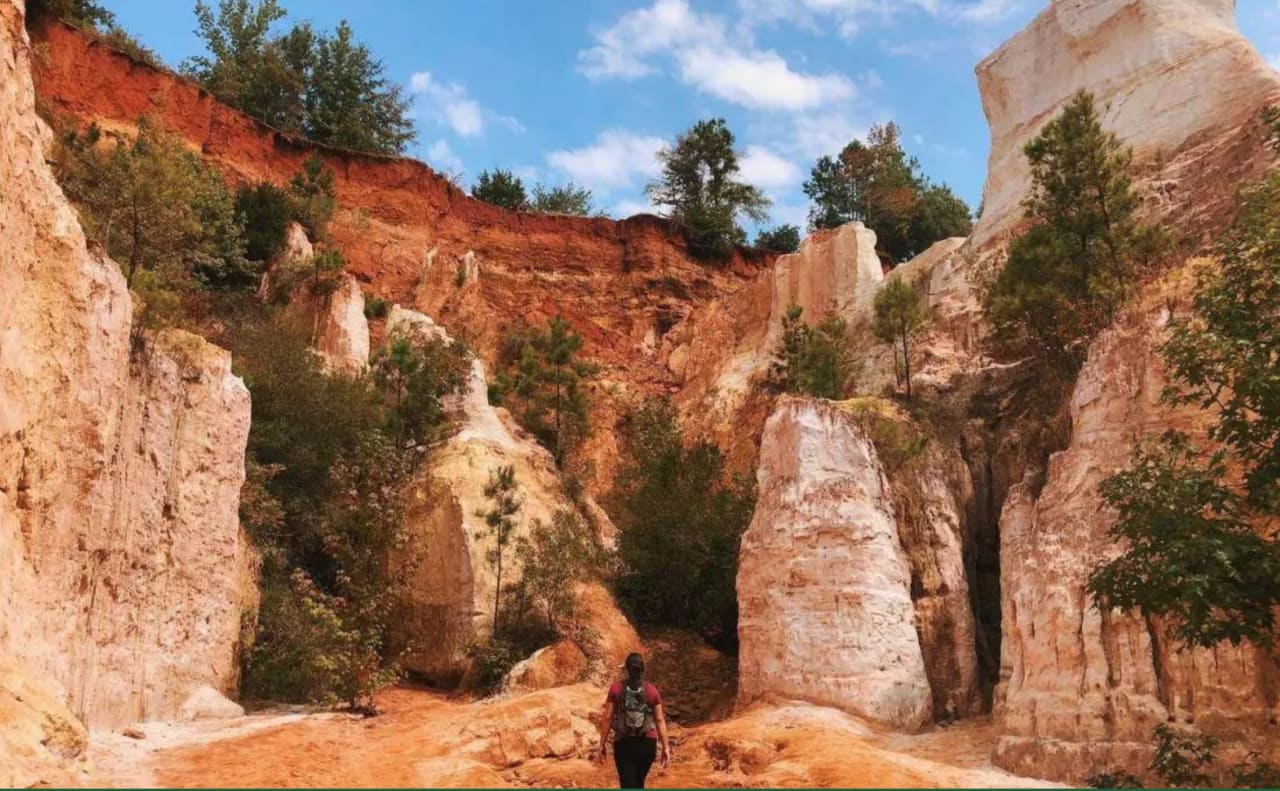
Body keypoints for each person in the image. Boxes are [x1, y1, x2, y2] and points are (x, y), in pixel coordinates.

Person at [594, 652, 670, 788]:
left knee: (628, 784)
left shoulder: (616, 688)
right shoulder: (652, 690)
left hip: (624, 743)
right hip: (647, 744)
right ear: (643, 669)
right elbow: (659, 720)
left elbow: (608, 717)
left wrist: (602, 744)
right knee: (638, 784)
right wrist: (666, 747)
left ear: (627, 669)